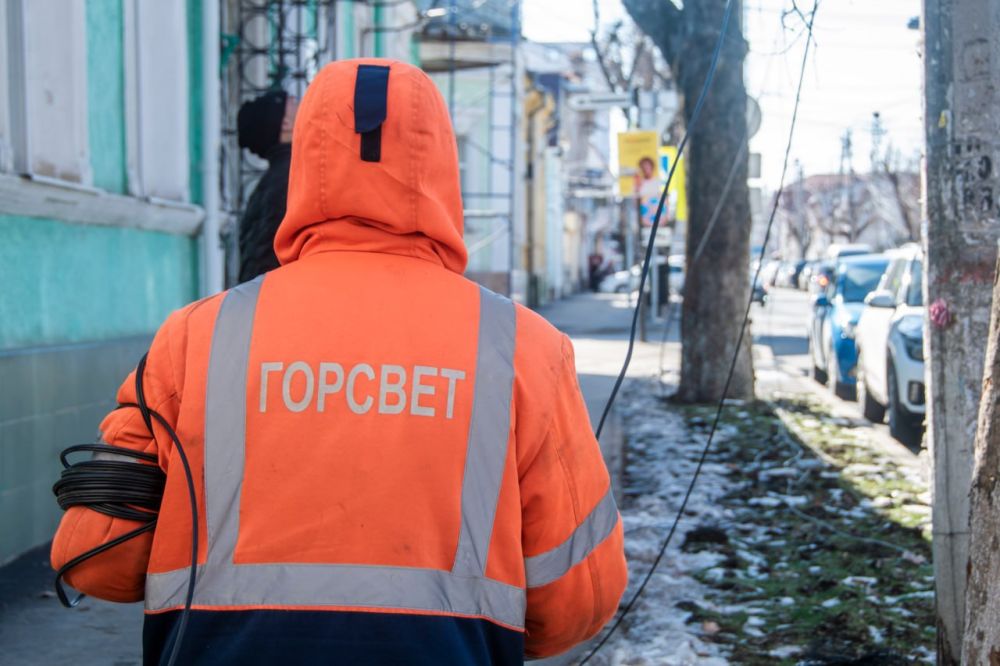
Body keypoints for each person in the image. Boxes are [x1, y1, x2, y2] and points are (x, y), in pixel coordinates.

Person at [50, 59, 627, 664]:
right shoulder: (523, 347)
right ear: (440, 166)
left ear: (306, 161)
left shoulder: (198, 336)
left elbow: (97, 560)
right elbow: (578, 602)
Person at [236, 89, 299, 283]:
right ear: (285, 124)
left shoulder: (275, 179)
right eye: (292, 102)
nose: (301, 104)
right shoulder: (294, 175)